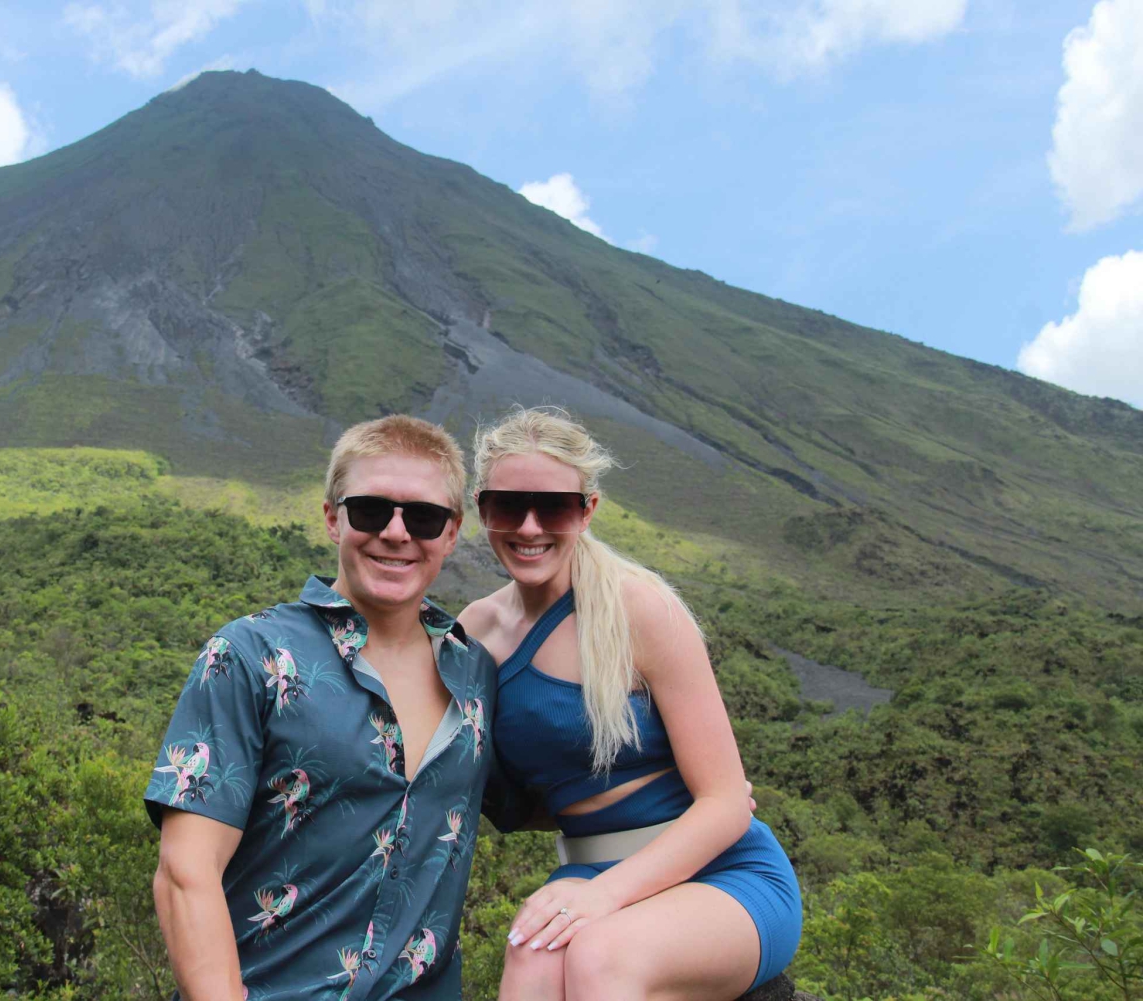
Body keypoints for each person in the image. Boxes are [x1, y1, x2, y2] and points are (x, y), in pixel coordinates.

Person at [145, 415, 511, 1001]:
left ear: (451, 532)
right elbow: (185, 873)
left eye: (422, 516)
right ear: (331, 517)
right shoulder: (250, 655)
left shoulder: (477, 674)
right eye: (370, 510)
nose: (396, 533)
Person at [459, 407, 801, 1000]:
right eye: (508, 506)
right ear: (482, 509)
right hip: (589, 866)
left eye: (556, 507)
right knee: (530, 960)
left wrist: (603, 898)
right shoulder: (475, 634)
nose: (531, 526)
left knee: (601, 955)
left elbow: (726, 802)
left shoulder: (639, 610)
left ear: (587, 510)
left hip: (723, 874)